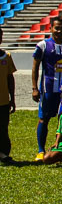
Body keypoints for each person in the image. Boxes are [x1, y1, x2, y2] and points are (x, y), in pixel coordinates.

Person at [31, 16, 62, 161]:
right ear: (50, 28)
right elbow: (35, 67)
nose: (59, 31)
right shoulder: (43, 45)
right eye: (56, 28)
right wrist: (34, 88)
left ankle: (60, 148)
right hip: (48, 89)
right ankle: (40, 150)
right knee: (44, 119)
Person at [0, 27, 17, 164]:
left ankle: (4, 154)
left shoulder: (6, 56)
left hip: (3, 100)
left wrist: (13, 98)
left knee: (3, 129)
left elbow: (10, 78)